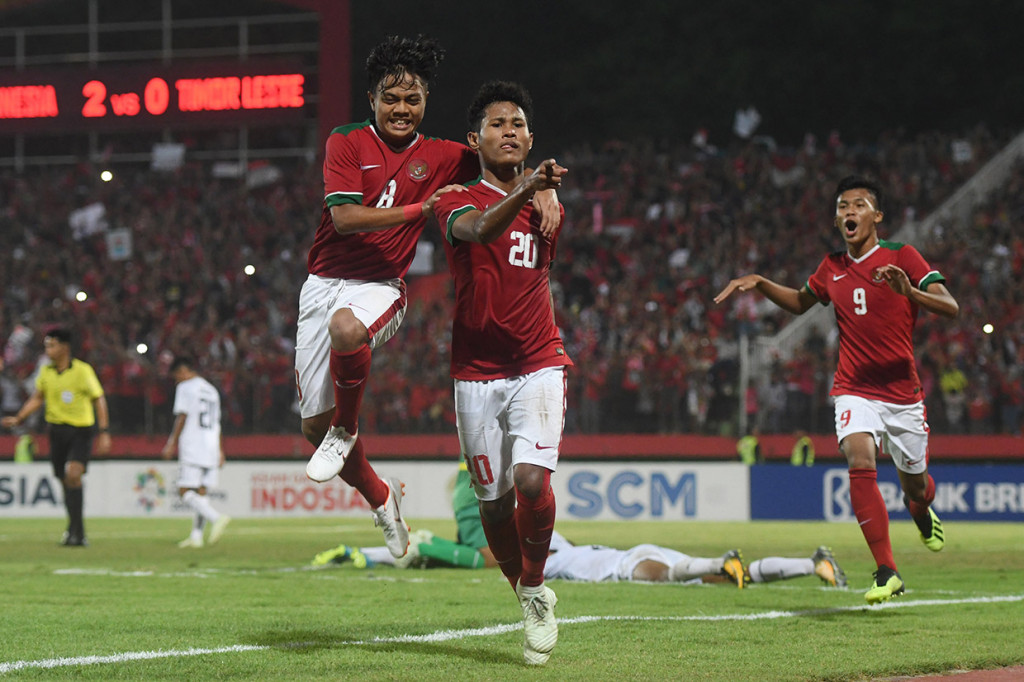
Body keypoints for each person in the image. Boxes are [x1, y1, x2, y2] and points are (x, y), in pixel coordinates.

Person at [296, 35, 558, 560]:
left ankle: (346, 430)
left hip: (381, 287)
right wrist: (420, 210)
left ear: (425, 104)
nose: (401, 109)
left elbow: (502, 151)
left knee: (347, 330)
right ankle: (381, 495)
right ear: (372, 100)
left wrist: (541, 186)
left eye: (412, 99)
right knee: (309, 428)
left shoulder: (441, 154)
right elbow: (344, 219)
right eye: (391, 99)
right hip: (322, 283)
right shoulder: (345, 142)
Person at [714, 175, 959, 605]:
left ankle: (921, 511)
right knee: (858, 456)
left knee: (916, 488)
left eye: (859, 204)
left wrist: (910, 291)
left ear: (877, 216)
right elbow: (799, 302)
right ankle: (887, 570)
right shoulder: (832, 268)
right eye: (843, 205)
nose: (849, 211)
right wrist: (761, 282)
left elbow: (951, 307)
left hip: (903, 395)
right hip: (853, 388)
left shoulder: (903, 256)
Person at [431, 80, 569, 666]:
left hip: (539, 362)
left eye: (518, 123)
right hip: (475, 373)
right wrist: (533, 190)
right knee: (493, 504)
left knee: (532, 482)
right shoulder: (452, 199)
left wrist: (543, 195)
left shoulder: (549, 207)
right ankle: (527, 592)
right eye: (497, 124)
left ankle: (534, 591)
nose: (509, 130)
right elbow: (480, 230)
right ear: (474, 139)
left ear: (531, 138)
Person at [1, 328, 110, 546]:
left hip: (81, 431)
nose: (48, 350)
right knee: (63, 480)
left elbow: (98, 399)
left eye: (52, 345)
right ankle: (73, 528)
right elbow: (37, 398)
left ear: (64, 347)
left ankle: (79, 532)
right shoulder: (47, 372)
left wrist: (104, 432)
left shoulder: (82, 371)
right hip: (57, 431)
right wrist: (20, 417)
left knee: (73, 474)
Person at [160, 357, 230, 548]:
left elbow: (182, 416)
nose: (177, 381)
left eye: (176, 377)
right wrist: (220, 450)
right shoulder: (212, 390)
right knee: (201, 492)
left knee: (183, 491)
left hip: (193, 445)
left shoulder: (186, 387)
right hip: (210, 446)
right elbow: (217, 423)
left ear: (183, 371)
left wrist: (171, 443)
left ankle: (216, 517)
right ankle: (196, 536)